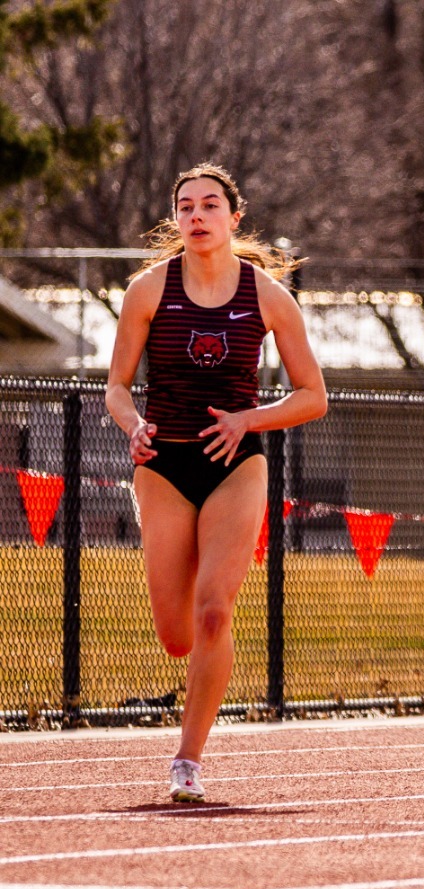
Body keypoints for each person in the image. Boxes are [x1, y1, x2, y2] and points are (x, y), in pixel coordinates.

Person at [103, 163, 327, 803]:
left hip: (237, 464)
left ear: (234, 217)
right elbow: (117, 385)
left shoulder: (267, 296)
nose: (196, 216)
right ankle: (195, 661)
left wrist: (249, 420)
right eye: (185, 207)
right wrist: (133, 424)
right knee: (176, 634)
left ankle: (188, 759)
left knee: (212, 612)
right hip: (164, 465)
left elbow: (314, 396)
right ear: (176, 220)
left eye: (209, 205)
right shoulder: (148, 291)